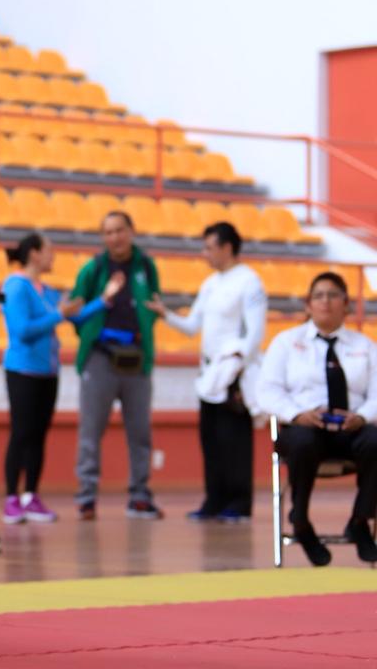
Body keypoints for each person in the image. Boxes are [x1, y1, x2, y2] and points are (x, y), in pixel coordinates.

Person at [0, 233, 125, 525]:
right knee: (21, 433)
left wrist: (103, 300)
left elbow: (74, 317)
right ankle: (11, 499)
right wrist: (58, 314)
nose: (53, 257)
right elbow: (22, 330)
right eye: (49, 251)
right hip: (22, 370)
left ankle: (31, 495)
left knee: (39, 435)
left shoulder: (48, 291)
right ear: (34, 254)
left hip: (47, 371)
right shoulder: (16, 287)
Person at [147, 222, 267, 522]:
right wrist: (167, 315)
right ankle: (214, 499)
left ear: (227, 247)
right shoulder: (211, 283)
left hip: (233, 374)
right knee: (210, 439)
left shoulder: (249, 282)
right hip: (209, 373)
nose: (205, 254)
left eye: (209, 247)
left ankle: (239, 502)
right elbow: (192, 326)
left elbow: (254, 334)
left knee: (233, 440)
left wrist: (236, 367)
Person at [257, 271, 377, 566]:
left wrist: (361, 417)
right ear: (308, 304)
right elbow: (267, 390)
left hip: (352, 429)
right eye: (319, 295)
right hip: (305, 428)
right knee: (301, 443)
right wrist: (297, 414)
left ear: (346, 304)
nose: (326, 301)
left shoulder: (365, 346)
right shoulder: (286, 343)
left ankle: (361, 522)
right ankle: (300, 521)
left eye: (333, 295)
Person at [69, 211, 163, 520]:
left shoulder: (146, 267)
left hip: (137, 355)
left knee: (140, 433)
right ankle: (86, 497)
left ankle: (139, 496)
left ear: (132, 231)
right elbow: (74, 313)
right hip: (100, 356)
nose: (114, 237)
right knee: (90, 431)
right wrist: (101, 304)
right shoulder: (93, 269)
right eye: (107, 232)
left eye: (119, 230)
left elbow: (153, 305)